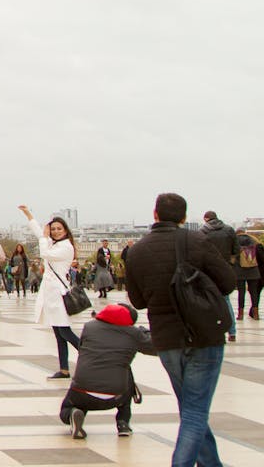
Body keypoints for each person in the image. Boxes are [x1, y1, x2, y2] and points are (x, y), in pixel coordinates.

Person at [125, 193, 236, 467]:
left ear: (155, 214)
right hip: (204, 336)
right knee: (196, 412)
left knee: (190, 410)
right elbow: (228, 282)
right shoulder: (197, 240)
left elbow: (137, 301)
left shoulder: (138, 250)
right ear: (185, 217)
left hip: (166, 340)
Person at [60, 302, 155, 439]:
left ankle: (73, 414)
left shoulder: (89, 327)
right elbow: (155, 347)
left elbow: (82, 349)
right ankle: (123, 422)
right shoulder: (134, 333)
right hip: (116, 396)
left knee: (67, 407)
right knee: (124, 369)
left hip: (83, 392)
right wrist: (143, 332)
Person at [18, 205, 82, 379]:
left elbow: (45, 252)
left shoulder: (66, 247)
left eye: (58, 229)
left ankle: (91, 355)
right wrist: (28, 214)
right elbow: (41, 234)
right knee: (58, 333)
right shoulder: (55, 243)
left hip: (59, 294)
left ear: (66, 230)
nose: (55, 232)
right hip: (51, 293)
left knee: (64, 331)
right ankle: (64, 369)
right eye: (53, 229)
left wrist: (45, 237)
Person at [199, 210, 239, 343]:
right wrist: (229, 265)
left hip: (209, 271)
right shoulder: (229, 230)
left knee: (208, 301)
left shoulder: (202, 232)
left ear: (206, 219)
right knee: (226, 301)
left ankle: (213, 330)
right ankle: (232, 332)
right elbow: (236, 250)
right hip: (225, 269)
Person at [233, 228, 261, 320]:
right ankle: (256, 314)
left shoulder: (234, 241)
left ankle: (240, 314)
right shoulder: (254, 241)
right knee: (254, 292)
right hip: (254, 271)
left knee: (241, 293)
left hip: (240, 271)